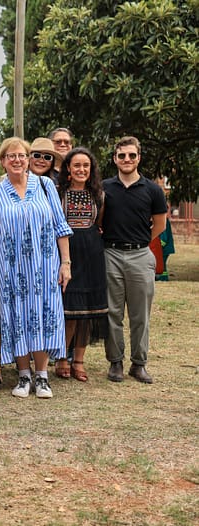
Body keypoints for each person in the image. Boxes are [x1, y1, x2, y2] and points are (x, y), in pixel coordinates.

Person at [0, 137, 72, 399]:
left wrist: (66, 263)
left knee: (45, 315)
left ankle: (42, 376)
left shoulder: (46, 185)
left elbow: (60, 227)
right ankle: (23, 375)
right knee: (17, 317)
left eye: (21, 155)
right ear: (2, 161)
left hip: (45, 266)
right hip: (12, 269)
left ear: (28, 159)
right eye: (10, 156)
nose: (17, 160)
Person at [101, 136, 167, 384]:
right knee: (112, 312)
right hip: (111, 253)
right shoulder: (104, 187)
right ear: (114, 159)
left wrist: (139, 240)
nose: (126, 160)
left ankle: (139, 364)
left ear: (139, 157)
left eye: (131, 155)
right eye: (121, 156)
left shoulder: (152, 189)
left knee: (141, 314)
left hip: (140, 254)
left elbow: (160, 224)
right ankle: (115, 362)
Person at [56, 147, 108, 382]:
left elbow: (99, 222)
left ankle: (79, 361)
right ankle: (61, 358)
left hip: (92, 254)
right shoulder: (58, 193)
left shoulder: (99, 194)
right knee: (69, 310)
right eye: (76, 165)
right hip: (68, 251)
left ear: (91, 169)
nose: (81, 169)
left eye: (85, 165)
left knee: (87, 310)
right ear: (68, 167)